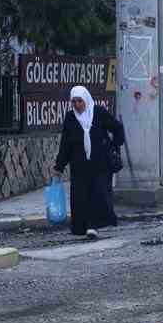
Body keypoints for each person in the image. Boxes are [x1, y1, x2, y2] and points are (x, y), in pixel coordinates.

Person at [52, 86, 126, 240]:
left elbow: (117, 128)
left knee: (97, 195)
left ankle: (93, 226)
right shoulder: (71, 118)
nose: (77, 105)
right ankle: (82, 226)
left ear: (86, 99)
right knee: (80, 197)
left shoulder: (98, 112)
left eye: (80, 101)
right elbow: (65, 145)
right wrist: (59, 166)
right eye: (74, 102)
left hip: (100, 165)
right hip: (79, 166)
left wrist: (113, 144)